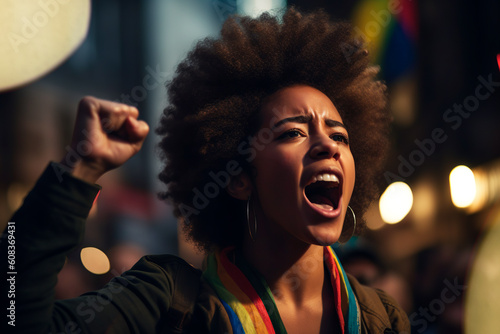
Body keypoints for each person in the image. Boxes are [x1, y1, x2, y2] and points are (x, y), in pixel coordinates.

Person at [2, 7, 410, 334]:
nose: (327, 145)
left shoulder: (381, 319)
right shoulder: (166, 302)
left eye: (340, 136)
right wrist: (78, 170)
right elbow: (14, 317)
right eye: (292, 133)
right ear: (237, 177)